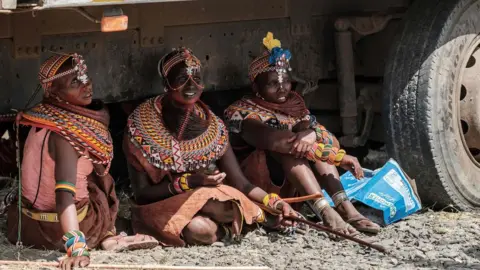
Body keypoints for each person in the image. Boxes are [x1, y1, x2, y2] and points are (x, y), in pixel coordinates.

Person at [123, 47, 298, 247]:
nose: (191, 85)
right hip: (161, 204)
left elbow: (242, 184)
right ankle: (249, 224)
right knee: (202, 229)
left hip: (207, 199)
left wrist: (275, 203)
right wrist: (189, 183)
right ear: (166, 84)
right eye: (182, 79)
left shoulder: (214, 127)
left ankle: (257, 220)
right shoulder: (141, 126)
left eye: (197, 78)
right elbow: (142, 193)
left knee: (222, 204)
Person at [7, 53, 158, 270]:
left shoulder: (40, 120)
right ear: (53, 91)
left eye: (85, 76)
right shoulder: (66, 138)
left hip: (27, 227)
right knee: (100, 181)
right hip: (56, 232)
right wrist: (76, 250)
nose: (86, 84)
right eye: (75, 82)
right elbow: (63, 197)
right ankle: (106, 235)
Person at [224, 32, 381, 235]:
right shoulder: (241, 112)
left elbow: (329, 139)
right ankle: (326, 213)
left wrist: (310, 133)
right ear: (256, 87)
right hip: (258, 192)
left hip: (290, 192)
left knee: (308, 146)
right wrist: (339, 158)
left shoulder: (294, 108)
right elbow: (280, 142)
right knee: (293, 150)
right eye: (272, 83)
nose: (282, 89)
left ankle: (345, 207)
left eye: (286, 81)